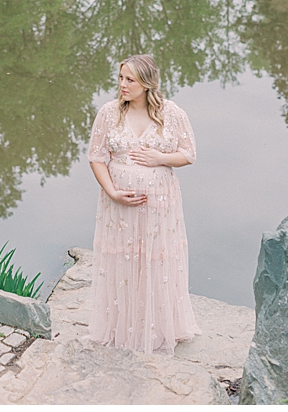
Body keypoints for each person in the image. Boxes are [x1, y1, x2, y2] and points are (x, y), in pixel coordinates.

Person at [86, 54, 200, 354]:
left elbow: (189, 154)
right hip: (118, 205)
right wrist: (111, 191)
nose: (122, 84)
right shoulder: (109, 113)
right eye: (121, 78)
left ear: (147, 84)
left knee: (155, 259)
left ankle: (158, 326)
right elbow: (96, 157)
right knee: (122, 258)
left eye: (130, 80)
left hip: (159, 202)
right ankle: (121, 325)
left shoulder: (172, 113)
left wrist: (160, 158)